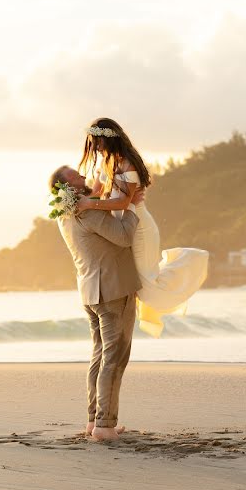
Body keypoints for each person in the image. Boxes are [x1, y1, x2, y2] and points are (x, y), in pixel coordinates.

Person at [76, 118, 209, 338]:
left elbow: (122, 202)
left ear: (107, 139)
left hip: (140, 228)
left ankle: (188, 261)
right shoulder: (105, 164)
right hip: (122, 227)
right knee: (139, 284)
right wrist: (72, 201)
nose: (96, 149)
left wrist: (90, 204)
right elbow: (96, 193)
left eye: (97, 143)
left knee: (148, 287)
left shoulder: (128, 163)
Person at [49, 165, 145, 442]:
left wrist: (108, 193)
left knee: (99, 356)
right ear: (70, 188)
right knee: (114, 359)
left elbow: (98, 197)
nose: (83, 177)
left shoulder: (64, 213)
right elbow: (124, 236)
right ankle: (104, 425)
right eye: (76, 177)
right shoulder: (87, 211)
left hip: (91, 292)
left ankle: (95, 421)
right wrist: (131, 208)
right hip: (113, 291)